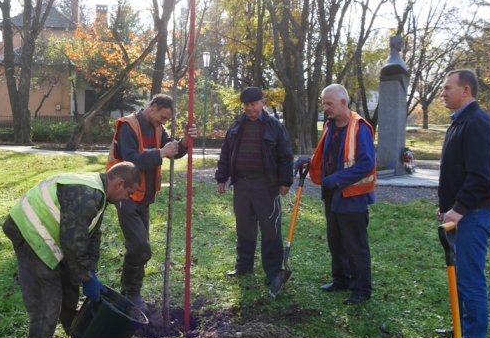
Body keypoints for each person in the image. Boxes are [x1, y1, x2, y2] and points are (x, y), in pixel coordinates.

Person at [2, 162, 141, 338]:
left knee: (69, 283)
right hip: (29, 232)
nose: (127, 198)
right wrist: (85, 277)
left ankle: (77, 332)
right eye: (128, 193)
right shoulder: (88, 196)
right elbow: (73, 242)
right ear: (119, 183)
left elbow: (92, 236)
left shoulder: (100, 195)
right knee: (47, 300)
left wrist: (90, 272)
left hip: (52, 233)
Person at [436, 69, 490, 338]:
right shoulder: (460, 121)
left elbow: (479, 176)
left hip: (475, 214)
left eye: (448, 88)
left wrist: (458, 209)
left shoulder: (477, 122)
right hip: (462, 213)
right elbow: (459, 170)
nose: (443, 93)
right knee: (461, 276)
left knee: (470, 279)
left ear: (466, 90)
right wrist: (447, 205)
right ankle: (462, 328)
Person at [106, 94, 197, 309]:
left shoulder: (158, 129)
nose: (163, 122)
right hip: (124, 193)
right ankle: (132, 292)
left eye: (166, 120)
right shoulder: (129, 126)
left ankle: (128, 292)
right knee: (140, 247)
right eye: (162, 117)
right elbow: (130, 161)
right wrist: (160, 153)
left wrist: (184, 140)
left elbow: (172, 151)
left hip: (144, 197)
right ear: (153, 107)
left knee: (138, 248)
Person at [299, 84, 376, 305]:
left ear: (343, 102)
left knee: (355, 243)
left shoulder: (359, 128)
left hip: (352, 195)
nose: (325, 108)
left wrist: (339, 178)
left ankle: (362, 288)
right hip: (332, 194)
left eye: (329, 103)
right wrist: (309, 162)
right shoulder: (330, 126)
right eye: (324, 103)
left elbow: (367, 164)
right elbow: (327, 155)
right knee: (335, 240)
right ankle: (340, 279)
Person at [215, 86, 294, 298]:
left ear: (262, 103)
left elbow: (286, 155)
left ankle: (272, 271)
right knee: (244, 227)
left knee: (270, 229)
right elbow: (226, 153)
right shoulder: (236, 125)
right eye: (247, 105)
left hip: (266, 186)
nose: (250, 108)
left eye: (253, 104)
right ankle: (243, 266)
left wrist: (285, 181)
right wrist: (221, 177)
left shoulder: (275, 126)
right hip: (241, 184)